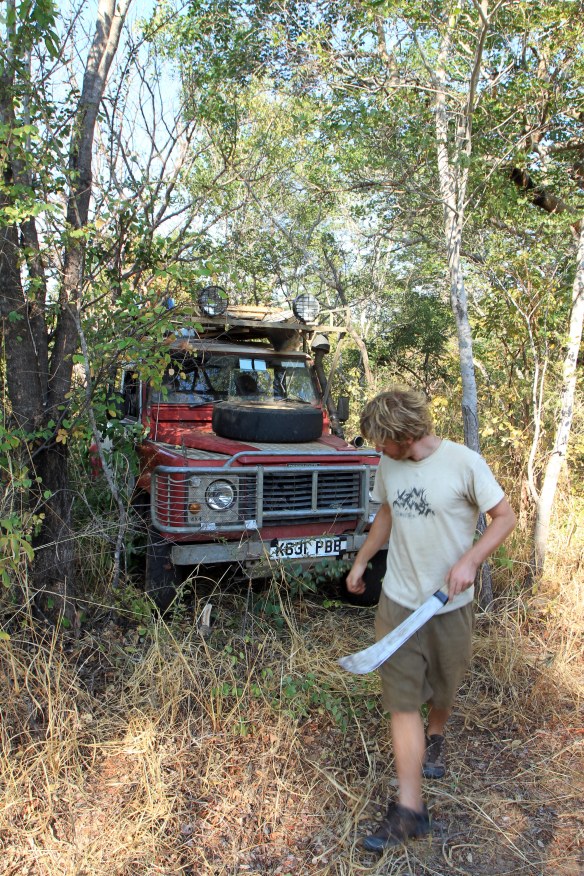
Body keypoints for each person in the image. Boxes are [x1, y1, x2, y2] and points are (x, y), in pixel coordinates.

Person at [346, 387, 516, 851]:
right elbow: (386, 513)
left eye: (383, 440)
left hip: (449, 607)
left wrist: (472, 561)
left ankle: (436, 734)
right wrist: (362, 561)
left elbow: (505, 516)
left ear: (405, 434)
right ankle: (410, 809)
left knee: (443, 689)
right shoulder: (389, 463)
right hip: (399, 602)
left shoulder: (463, 463)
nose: (378, 448)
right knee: (402, 702)